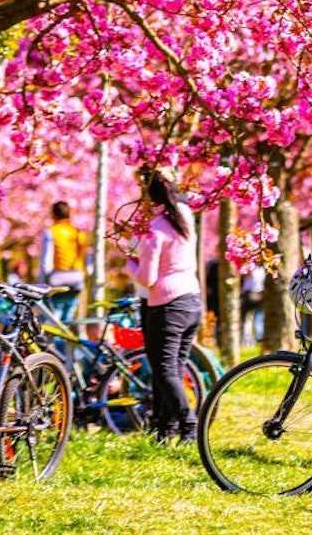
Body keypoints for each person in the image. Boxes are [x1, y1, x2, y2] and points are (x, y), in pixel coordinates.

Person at [125, 168, 202, 443]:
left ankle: (188, 422)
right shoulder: (184, 215)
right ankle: (165, 429)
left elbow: (147, 278)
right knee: (174, 367)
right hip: (192, 299)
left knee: (165, 369)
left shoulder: (153, 230)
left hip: (167, 305)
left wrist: (129, 263)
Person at [39, 201, 88, 324]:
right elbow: (86, 257)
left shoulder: (51, 231)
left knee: (53, 319)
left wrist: (41, 282)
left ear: (53, 214)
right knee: (68, 318)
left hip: (58, 278)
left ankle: (55, 342)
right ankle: (64, 342)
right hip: (76, 278)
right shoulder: (78, 232)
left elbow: (46, 260)